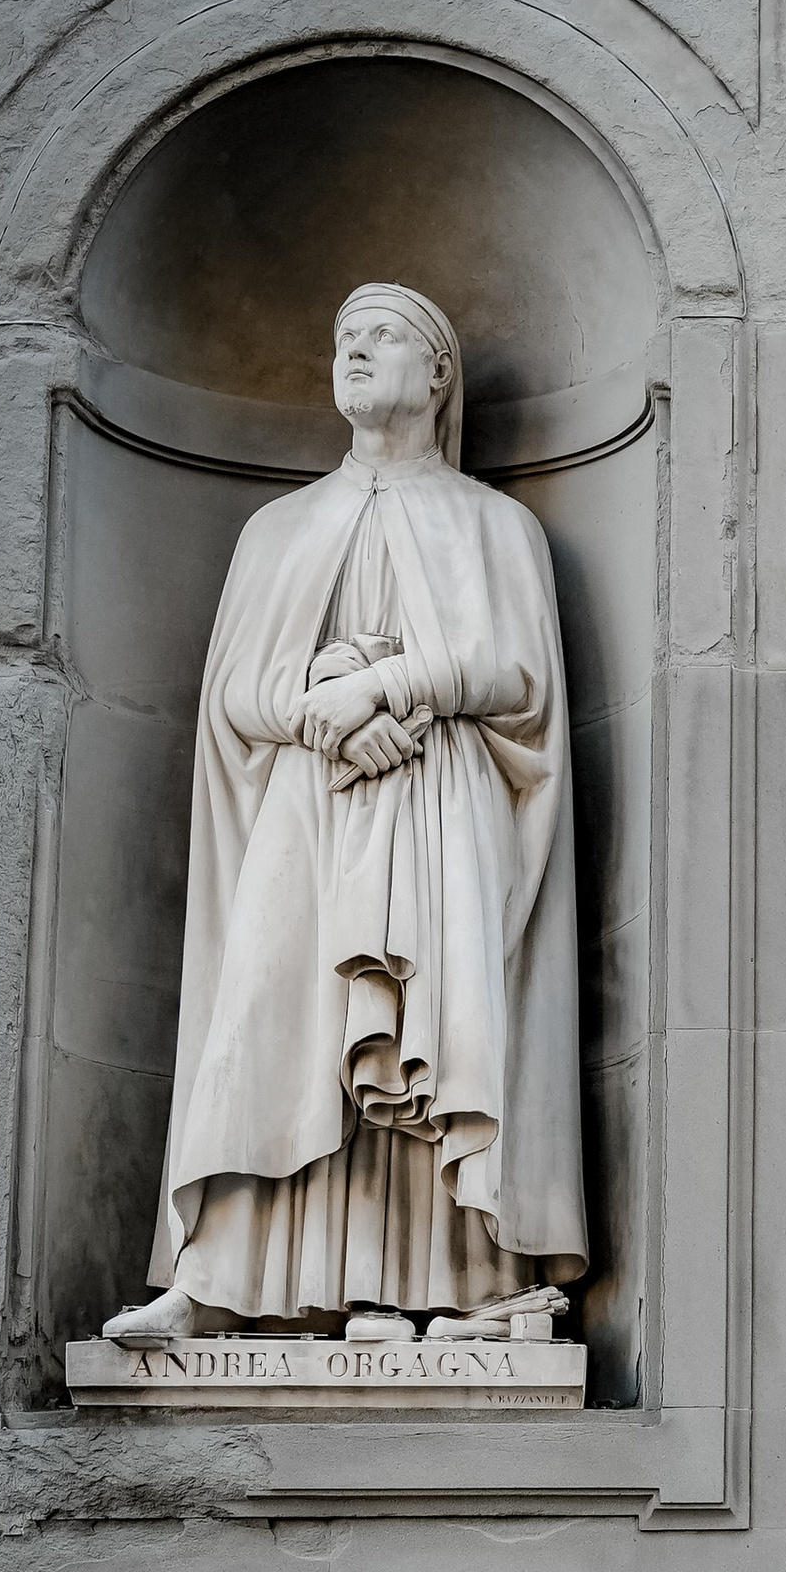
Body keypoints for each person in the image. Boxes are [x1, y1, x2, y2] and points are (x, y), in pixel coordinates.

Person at [105, 282, 586, 1346]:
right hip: (307, 815)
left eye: (383, 337)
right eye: (344, 339)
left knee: (433, 1025)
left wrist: (388, 688)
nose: (356, 352)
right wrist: (324, 713)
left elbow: (522, 678)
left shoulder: (495, 526)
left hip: (442, 804)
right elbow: (236, 695)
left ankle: (438, 1288)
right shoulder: (280, 529)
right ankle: (224, 1277)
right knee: (273, 1023)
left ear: (438, 373)